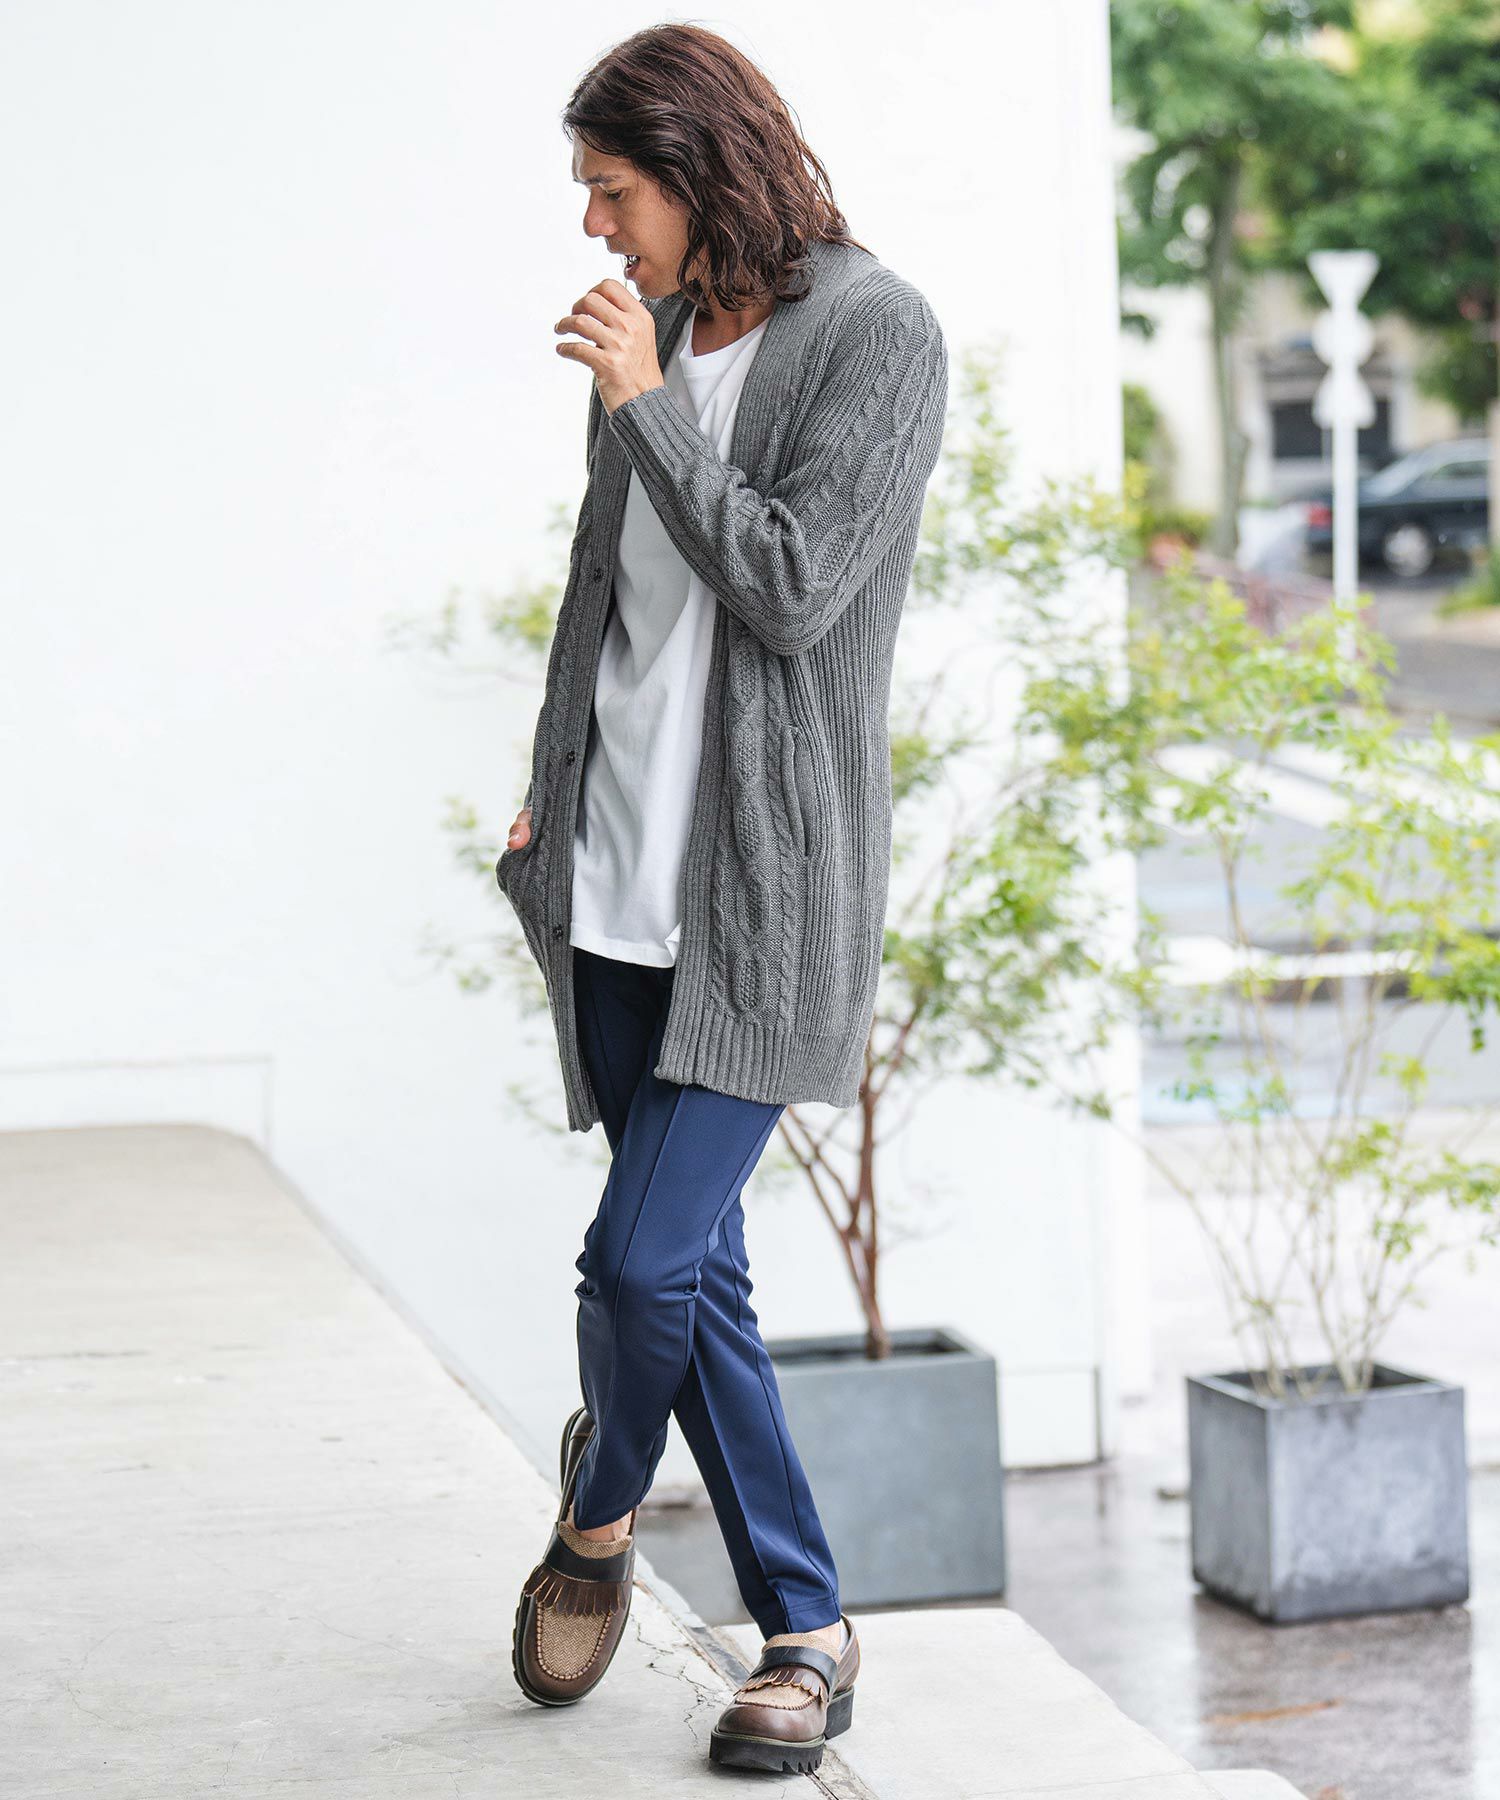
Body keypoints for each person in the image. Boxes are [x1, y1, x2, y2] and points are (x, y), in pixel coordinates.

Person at [498, 22, 948, 1777]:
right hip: (607, 870)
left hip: (759, 896)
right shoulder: (658, 331)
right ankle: (809, 1633)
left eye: (616, 192)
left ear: (700, 168)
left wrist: (649, 405)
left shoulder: (876, 332)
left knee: (636, 1261)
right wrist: (548, 790)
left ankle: (598, 1513)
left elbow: (790, 586)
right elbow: (605, 594)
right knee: (699, 1287)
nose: (598, 229)